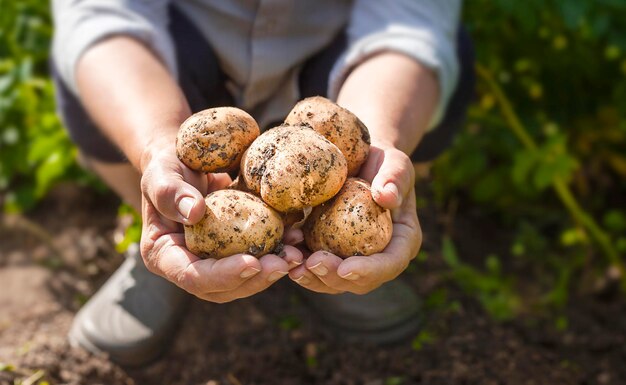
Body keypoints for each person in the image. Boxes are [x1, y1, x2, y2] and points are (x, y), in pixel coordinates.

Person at [51, 0, 471, 366]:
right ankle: (165, 227)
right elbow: (98, 16)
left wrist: (377, 145)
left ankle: (332, 258)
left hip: (335, 66)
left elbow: (411, 26)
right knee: (94, 84)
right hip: (184, 60)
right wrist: (157, 145)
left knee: (444, 64)